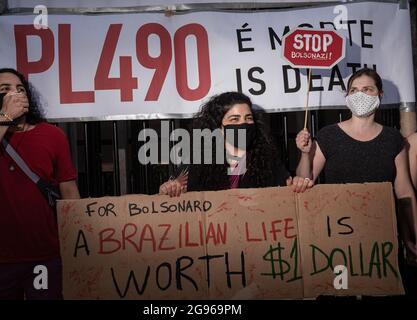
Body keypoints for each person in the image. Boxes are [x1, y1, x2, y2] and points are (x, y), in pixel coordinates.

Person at [295, 67, 417, 295]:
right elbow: (305, 180)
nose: (360, 95)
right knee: (339, 293)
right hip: (338, 238)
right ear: (347, 96)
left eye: (367, 89)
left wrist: (413, 236)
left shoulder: (393, 139)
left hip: (382, 238)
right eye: (354, 90)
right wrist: (304, 153)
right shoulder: (329, 135)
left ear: (380, 95)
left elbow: (404, 192)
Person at [0, 68, 80, 300]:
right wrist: (4, 118)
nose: (15, 94)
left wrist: (76, 245)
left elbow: (69, 193)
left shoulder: (52, 135)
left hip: (44, 257)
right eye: (5, 90)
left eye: (20, 89)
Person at [159, 91, 312, 195]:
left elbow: (293, 186)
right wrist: (169, 188)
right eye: (234, 119)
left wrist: (300, 178)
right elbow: (171, 190)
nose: (243, 124)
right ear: (219, 127)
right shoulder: (198, 160)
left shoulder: (266, 159)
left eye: (248, 118)